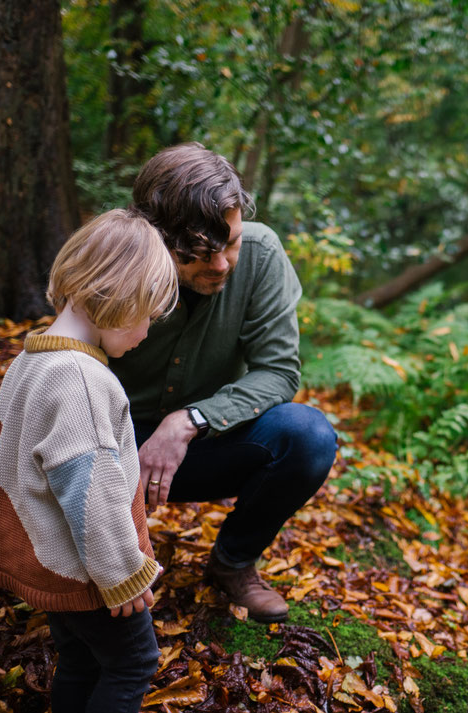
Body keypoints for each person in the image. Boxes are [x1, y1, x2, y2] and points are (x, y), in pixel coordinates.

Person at [109, 142, 337, 623]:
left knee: (309, 436)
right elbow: (69, 366)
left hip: (206, 447)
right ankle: (94, 559)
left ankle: (233, 564)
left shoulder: (260, 253)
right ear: (155, 237)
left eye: (229, 243)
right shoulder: (113, 260)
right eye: (198, 253)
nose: (221, 266)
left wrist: (190, 420)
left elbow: (278, 371)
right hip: (111, 446)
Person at [0, 209, 179, 713]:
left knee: (81, 661)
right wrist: (123, 574)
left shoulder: (31, 361)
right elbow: (91, 494)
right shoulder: (81, 379)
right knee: (132, 664)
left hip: (54, 562)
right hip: (91, 573)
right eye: (146, 313)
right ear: (116, 295)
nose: (148, 330)